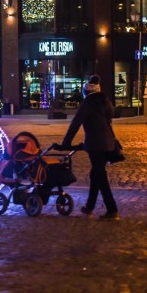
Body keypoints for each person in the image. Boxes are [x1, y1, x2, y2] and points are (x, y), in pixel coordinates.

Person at [60, 75, 119, 220]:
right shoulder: (105, 101)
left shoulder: (87, 104)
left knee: (100, 175)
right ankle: (89, 207)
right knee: (95, 174)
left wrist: (66, 143)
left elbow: (75, 124)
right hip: (109, 144)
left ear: (85, 91)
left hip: (96, 145)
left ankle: (112, 210)